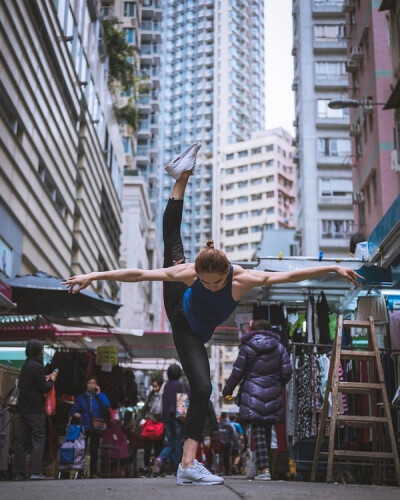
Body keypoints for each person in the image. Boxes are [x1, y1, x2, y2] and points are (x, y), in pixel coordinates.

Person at [63, 142, 363, 486]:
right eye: (204, 281)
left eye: (215, 282)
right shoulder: (190, 273)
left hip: (197, 314)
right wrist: (92, 276)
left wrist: (334, 267)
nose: (210, 285)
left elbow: (290, 274)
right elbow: (137, 274)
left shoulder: (243, 279)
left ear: (227, 275)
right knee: (203, 386)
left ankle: (182, 175)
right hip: (183, 319)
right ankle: (187, 465)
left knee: (173, 240)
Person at [222, 319, 293, 480]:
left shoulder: (247, 347)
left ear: (253, 330)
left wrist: (227, 390)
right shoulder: (280, 347)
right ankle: (265, 469)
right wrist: (277, 383)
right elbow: (288, 371)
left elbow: (237, 373)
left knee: (258, 431)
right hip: (273, 392)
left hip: (252, 394)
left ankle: (264, 469)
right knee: (266, 430)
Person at [12, 339, 58, 480]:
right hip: (35, 409)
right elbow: (44, 388)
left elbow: (31, 385)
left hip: (23, 408)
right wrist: (52, 379)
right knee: (38, 438)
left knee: (21, 440)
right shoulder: (37, 366)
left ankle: (18, 472)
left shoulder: (26, 365)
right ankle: (35, 472)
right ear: (39, 352)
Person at [71, 376, 111, 479]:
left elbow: (107, 406)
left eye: (94, 383)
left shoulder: (101, 396)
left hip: (96, 427)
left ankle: (93, 472)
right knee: (81, 449)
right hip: (84, 426)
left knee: (94, 450)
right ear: (86, 384)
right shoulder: (81, 397)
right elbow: (74, 409)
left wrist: (99, 395)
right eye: (90, 383)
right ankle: (80, 471)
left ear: (97, 385)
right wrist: (76, 414)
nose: (92, 385)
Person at [153, 364, 189, 476]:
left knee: (171, 442)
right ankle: (178, 468)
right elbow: (183, 402)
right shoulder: (181, 385)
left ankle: (160, 458)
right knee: (178, 443)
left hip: (166, 418)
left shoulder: (165, 385)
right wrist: (184, 417)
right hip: (177, 418)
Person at [137, 376, 164, 476]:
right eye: (153, 386)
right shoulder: (151, 396)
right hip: (150, 424)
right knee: (147, 447)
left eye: (156, 386)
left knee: (158, 447)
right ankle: (147, 467)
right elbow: (144, 410)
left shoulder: (163, 396)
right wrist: (137, 422)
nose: (154, 388)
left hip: (159, 425)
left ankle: (158, 468)